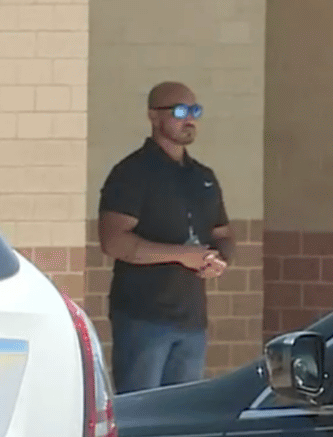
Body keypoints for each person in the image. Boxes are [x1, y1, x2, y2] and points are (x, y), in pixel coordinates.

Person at [98, 81, 235, 393]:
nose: (190, 119)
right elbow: (114, 241)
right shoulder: (132, 173)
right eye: (180, 111)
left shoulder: (203, 177)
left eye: (195, 111)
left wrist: (221, 260)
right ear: (153, 116)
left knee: (180, 417)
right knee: (142, 413)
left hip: (192, 321)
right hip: (143, 317)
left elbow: (224, 235)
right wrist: (179, 254)